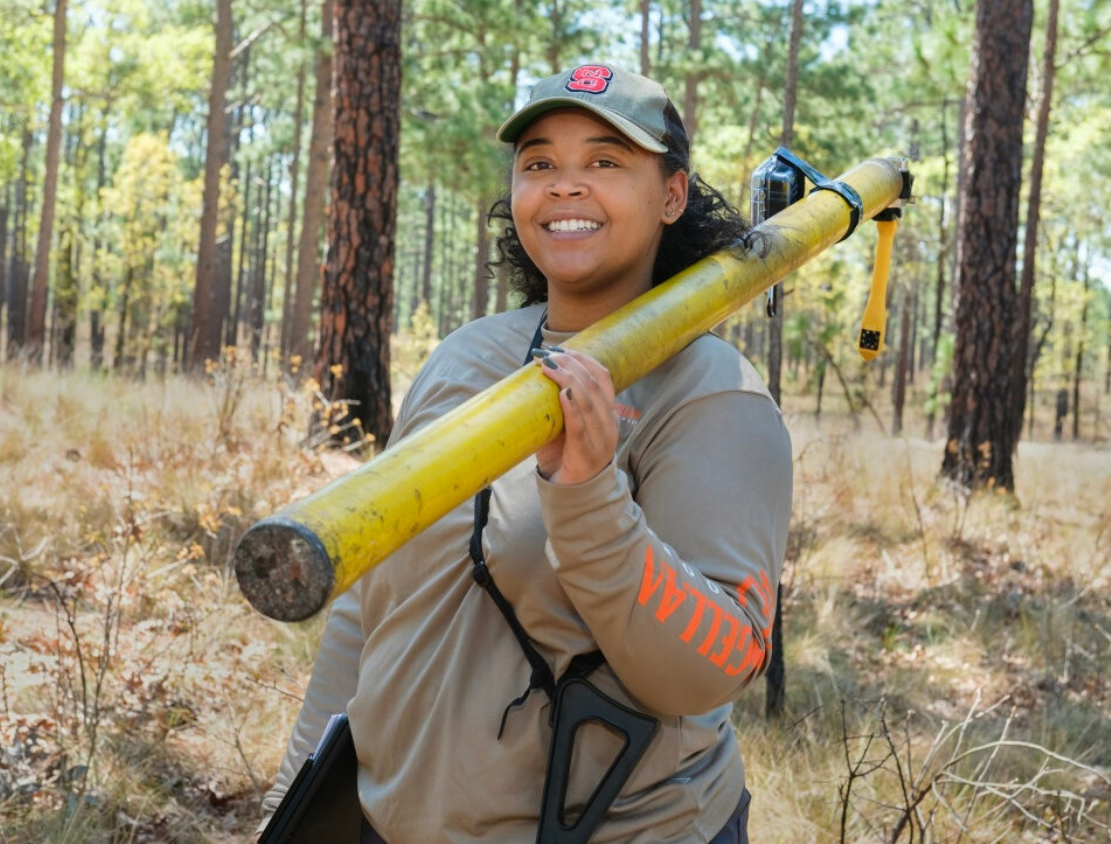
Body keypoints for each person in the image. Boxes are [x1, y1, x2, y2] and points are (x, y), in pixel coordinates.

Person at [260, 63, 792, 844]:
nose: (565, 186)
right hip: (385, 822)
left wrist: (588, 498)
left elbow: (716, 663)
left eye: (605, 162)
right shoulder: (466, 358)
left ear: (672, 195)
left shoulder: (712, 394)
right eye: (540, 162)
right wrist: (294, 797)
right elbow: (370, 600)